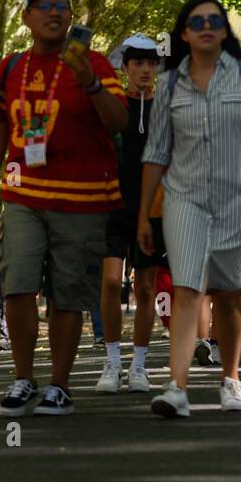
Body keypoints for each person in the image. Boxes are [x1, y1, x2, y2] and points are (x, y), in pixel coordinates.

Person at [0, 0, 128, 417]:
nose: (53, 12)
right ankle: (22, 378)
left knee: (68, 294)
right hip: (23, 195)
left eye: (60, 5)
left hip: (82, 201)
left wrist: (91, 83)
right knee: (17, 285)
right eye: (42, 5)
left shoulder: (94, 63)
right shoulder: (10, 67)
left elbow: (118, 122)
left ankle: (59, 386)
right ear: (25, 18)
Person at [139, 0, 241, 418]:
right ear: (184, 32)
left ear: (223, 31)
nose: (205, 26)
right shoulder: (168, 84)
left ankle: (231, 380)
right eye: (196, 20)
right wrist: (145, 213)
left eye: (214, 20)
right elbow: (156, 153)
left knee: (226, 295)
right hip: (185, 201)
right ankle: (177, 388)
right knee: (186, 290)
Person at [96, 34, 164, 395]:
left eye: (152, 63)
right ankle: (111, 361)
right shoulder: (113, 106)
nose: (145, 69)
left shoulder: (166, 108)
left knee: (146, 287)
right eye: (138, 63)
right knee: (109, 282)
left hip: (152, 209)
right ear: (125, 67)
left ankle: (139, 365)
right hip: (112, 206)